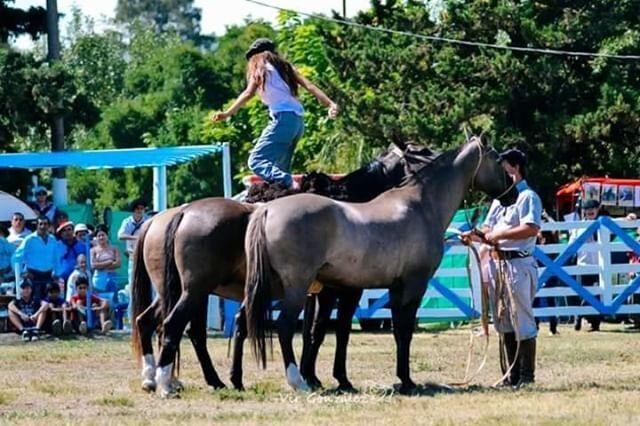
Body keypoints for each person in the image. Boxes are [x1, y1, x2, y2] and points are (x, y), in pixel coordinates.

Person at [212, 38, 339, 189]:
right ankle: (289, 195)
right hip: (297, 123)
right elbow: (309, 86)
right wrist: (330, 103)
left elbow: (248, 93)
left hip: (283, 120)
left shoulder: (259, 66)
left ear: (255, 55)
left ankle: (290, 183)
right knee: (280, 168)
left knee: (256, 161)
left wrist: (227, 113)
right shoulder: (285, 67)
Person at [462, 148, 542, 387]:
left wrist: (498, 234)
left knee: (522, 318)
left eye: (504, 167)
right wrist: (476, 235)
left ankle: (527, 376)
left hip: (518, 263)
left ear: (515, 168)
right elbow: (488, 229)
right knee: (503, 319)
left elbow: (531, 228)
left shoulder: (528, 197)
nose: (501, 174)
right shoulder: (499, 201)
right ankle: (511, 374)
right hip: (498, 263)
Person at [569, 199, 602, 332]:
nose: (590, 211)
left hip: (598, 265)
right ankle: (581, 315)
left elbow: (617, 224)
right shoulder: (578, 226)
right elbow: (571, 244)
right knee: (583, 293)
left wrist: (628, 218)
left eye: (592, 208)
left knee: (597, 294)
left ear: (597, 209)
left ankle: (593, 322)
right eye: (587, 209)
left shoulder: (602, 224)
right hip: (582, 264)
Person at [12, 215, 57, 300]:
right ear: (36, 225)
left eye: (45, 224)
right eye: (40, 224)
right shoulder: (29, 239)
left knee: (49, 303)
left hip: (48, 276)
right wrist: (21, 273)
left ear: (49, 226)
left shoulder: (53, 239)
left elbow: (56, 257)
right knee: (35, 303)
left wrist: (57, 273)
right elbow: (16, 257)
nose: (43, 226)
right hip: (33, 276)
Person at [91, 224, 121, 296]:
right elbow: (93, 265)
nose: (101, 237)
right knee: (99, 299)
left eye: (103, 235)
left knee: (112, 299)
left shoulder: (114, 248)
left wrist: (100, 265)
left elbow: (118, 264)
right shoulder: (93, 250)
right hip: (98, 279)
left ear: (107, 236)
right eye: (99, 236)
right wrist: (109, 262)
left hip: (112, 277)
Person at [55, 221, 87, 285]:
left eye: (69, 229)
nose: (67, 232)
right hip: (60, 280)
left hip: (78, 279)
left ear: (73, 231)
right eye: (64, 230)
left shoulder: (82, 245)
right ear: (61, 233)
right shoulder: (56, 246)